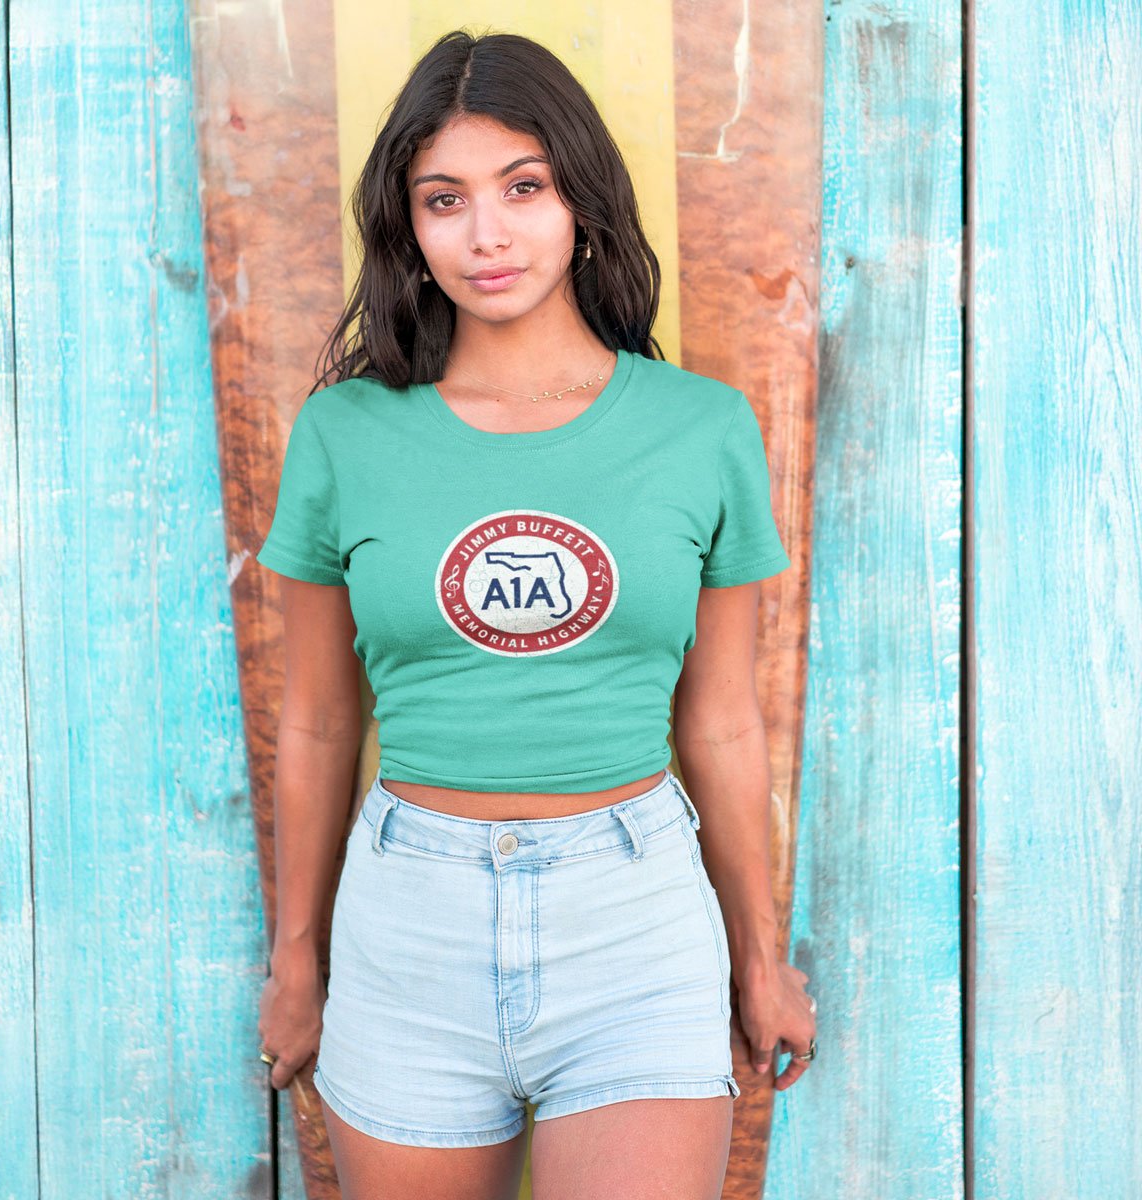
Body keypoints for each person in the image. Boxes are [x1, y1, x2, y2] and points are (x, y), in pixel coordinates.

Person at [255, 27, 816, 1200]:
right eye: (443, 199)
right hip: (410, 920)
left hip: (636, 916)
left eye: (525, 188)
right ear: (407, 224)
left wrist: (759, 955)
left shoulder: (700, 428)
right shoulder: (346, 434)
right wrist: (297, 959)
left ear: (582, 202)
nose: (487, 234)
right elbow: (313, 721)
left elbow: (718, 723)